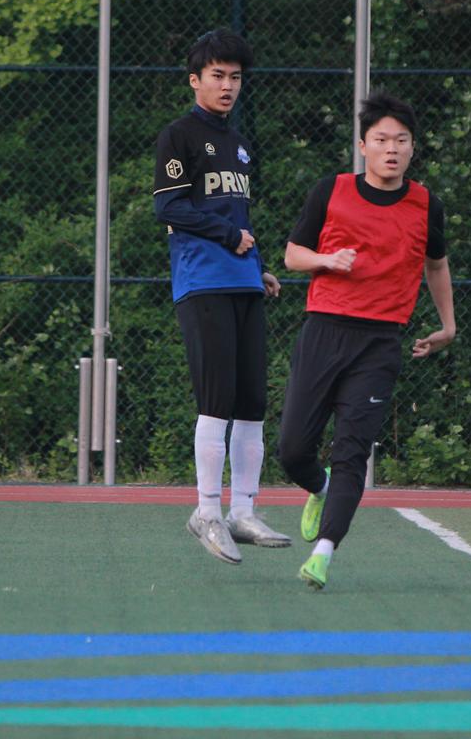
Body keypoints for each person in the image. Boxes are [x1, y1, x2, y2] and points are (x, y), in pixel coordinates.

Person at [278, 92, 456, 589]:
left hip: (379, 343)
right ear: (363, 146)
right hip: (324, 330)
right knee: (292, 450)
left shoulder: (426, 205)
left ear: (413, 147)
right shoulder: (330, 191)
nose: (391, 149)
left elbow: (436, 265)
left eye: (401, 140)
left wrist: (448, 326)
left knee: (352, 452)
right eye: (381, 140)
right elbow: (292, 255)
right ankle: (318, 489)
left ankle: (323, 553)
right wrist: (326, 260)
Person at [153, 28, 290, 564]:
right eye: (217, 76)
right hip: (202, 282)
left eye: (235, 77)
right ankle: (207, 512)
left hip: (242, 281)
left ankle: (243, 511)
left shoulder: (238, 144)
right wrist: (230, 238)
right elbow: (169, 207)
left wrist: (258, 267)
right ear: (195, 80)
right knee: (217, 400)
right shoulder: (179, 136)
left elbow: (239, 217)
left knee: (252, 401)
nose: (228, 85)